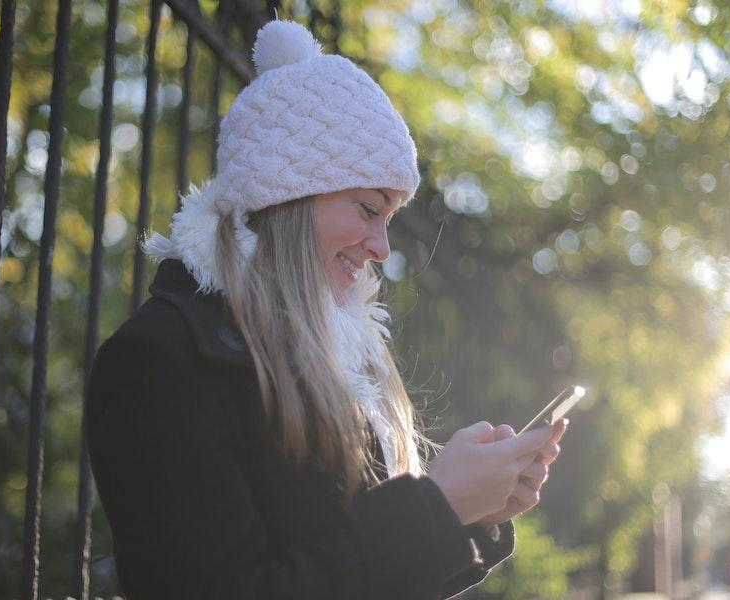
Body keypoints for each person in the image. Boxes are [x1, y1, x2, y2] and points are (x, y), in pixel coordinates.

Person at [86, 19, 566, 600]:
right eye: (367, 209)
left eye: (388, 219)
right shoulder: (157, 360)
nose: (382, 247)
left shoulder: (338, 361)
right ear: (284, 196)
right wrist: (434, 507)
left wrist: (469, 513)